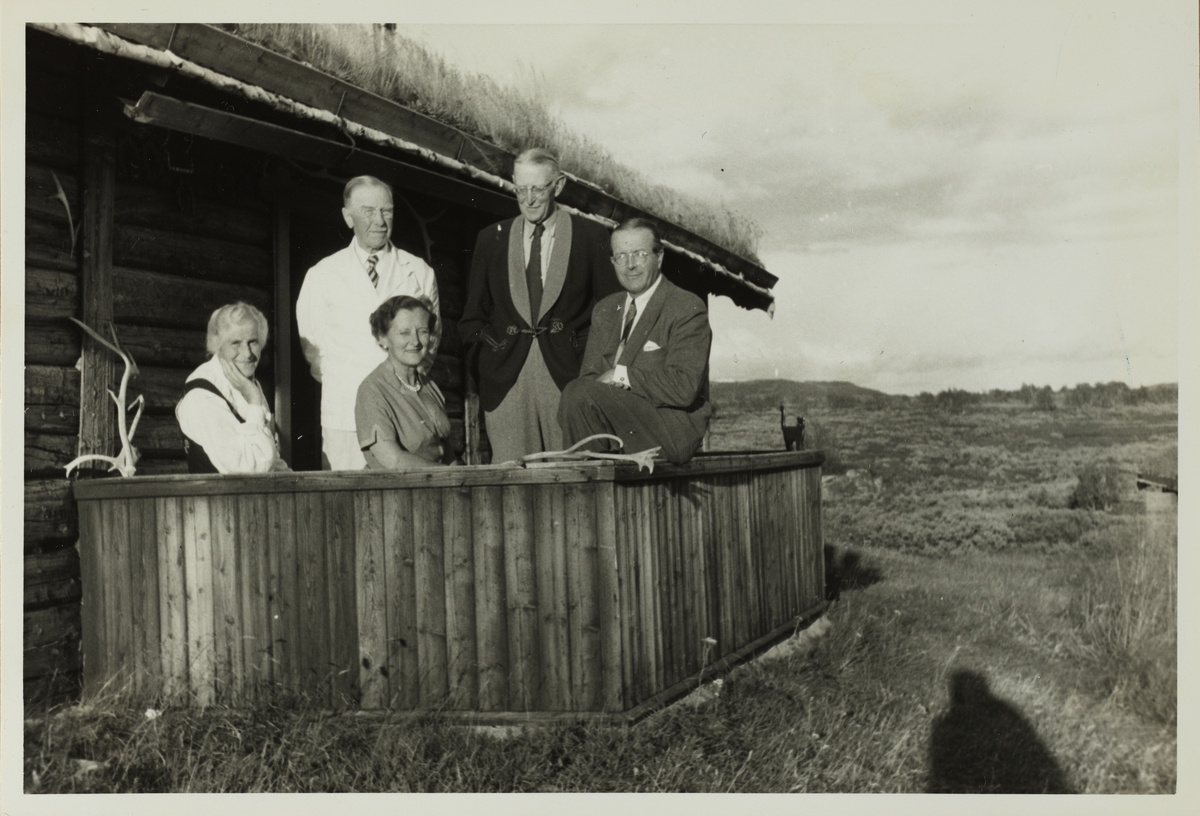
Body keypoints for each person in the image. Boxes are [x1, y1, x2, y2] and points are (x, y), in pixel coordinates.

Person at [459, 148, 620, 463]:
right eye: (521, 189)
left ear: (558, 186)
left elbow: (615, 313)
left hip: (570, 383)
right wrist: (490, 359)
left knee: (575, 480)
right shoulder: (491, 239)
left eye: (538, 189)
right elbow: (471, 320)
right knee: (514, 490)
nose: (528, 199)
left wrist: (592, 372)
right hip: (507, 385)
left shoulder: (592, 236)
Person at [296, 175, 441, 470]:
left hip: (409, 413)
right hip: (345, 415)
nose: (379, 220)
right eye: (368, 211)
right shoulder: (322, 275)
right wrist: (354, 383)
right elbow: (313, 353)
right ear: (348, 217)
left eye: (386, 211)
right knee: (347, 505)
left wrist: (400, 389)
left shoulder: (418, 272)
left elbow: (431, 342)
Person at [558, 218, 713, 465]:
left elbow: (684, 386)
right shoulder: (606, 310)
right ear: (612, 262)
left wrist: (621, 376)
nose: (630, 265)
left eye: (639, 254)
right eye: (621, 256)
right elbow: (590, 377)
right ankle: (589, 481)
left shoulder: (686, 306)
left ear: (659, 257)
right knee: (576, 392)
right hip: (617, 421)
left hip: (669, 428)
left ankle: (587, 483)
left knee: (578, 393)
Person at [176, 302, 290, 474]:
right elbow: (249, 468)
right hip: (220, 499)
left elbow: (270, 459)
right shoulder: (203, 397)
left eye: (253, 342)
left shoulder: (243, 383)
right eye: (235, 343)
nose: (247, 353)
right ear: (217, 347)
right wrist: (254, 402)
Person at [356, 296, 458, 469]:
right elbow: (394, 461)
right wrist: (451, 476)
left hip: (441, 488)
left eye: (423, 331)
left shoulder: (429, 386)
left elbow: (448, 454)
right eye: (404, 333)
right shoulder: (372, 390)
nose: (416, 341)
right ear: (383, 338)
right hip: (397, 492)